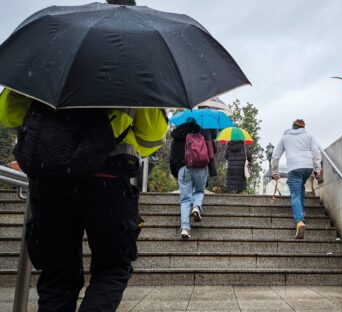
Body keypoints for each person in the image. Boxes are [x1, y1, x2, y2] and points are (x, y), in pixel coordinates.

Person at [0, 88, 168, 312]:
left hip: (49, 179)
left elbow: (8, 115)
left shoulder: (43, 63)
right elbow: (152, 135)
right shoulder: (131, 73)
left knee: (57, 279)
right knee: (112, 269)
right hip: (106, 179)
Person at [271, 119, 322, 239]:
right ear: (303, 127)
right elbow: (316, 152)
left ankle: (299, 221)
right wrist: (317, 169)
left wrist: (274, 171)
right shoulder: (309, 136)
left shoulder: (285, 137)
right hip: (307, 168)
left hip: (294, 168)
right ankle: (301, 210)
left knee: (295, 194)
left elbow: (275, 155)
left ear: (293, 127)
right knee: (301, 187)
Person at [169, 118, 214, 239]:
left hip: (183, 169)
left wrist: (175, 172)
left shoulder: (177, 137)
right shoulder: (202, 134)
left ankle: (184, 228)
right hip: (200, 167)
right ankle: (196, 206)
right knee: (199, 191)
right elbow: (212, 151)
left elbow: (172, 157)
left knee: (184, 200)